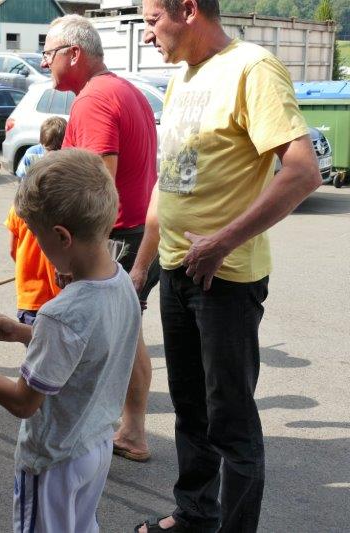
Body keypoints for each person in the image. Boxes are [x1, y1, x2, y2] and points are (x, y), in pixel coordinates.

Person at [135, 1, 322, 531]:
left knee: (230, 420)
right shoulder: (183, 79)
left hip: (226, 278)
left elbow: (303, 172)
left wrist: (221, 242)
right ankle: (195, 513)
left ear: (188, 9)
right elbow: (167, 185)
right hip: (176, 271)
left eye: (152, 20)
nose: (148, 35)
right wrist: (140, 268)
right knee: (190, 408)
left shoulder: (252, 68)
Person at [0, 149, 141, 532]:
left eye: (38, 237)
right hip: (93, 447)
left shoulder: (61, 314)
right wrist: (26, 333)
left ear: (61, 236)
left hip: (53, 460)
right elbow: (90, 348)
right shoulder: (121, 280)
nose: (37, 246)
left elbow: (23, 402)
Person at [41, 14, 159, 462]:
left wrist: (72, 255)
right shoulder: (126, 89)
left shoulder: (92, 100)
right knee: (129, 335)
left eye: (49, 53)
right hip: (136, 231)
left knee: (109, 337)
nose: (46, 62)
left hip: (113, 236)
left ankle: (110, 429)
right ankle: (132, 431)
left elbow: (94, 187)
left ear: (74, 54)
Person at [7, 116, 66, 325]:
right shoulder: (65, 209)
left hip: (30, 295)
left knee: (35, 352)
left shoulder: (18, 209)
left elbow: (13, 251)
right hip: (59, 299)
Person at [14, 116, 67, 180]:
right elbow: (21, 176)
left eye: (57, 149)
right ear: (42, 142)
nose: (52, 153)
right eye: (48, 149)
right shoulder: (31, 154)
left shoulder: (68, 157)